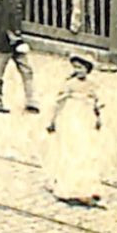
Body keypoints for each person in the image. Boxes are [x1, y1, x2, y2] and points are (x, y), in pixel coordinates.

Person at [43, 55, 104, 207]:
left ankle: (87, 187)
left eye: (81, 68)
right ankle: (68, 188)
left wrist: (98, 119)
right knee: (72, 150)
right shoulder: (69, 84)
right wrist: (52, 121)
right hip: (72, 118)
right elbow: (59, 103)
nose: (79, 71)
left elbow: (97, 104)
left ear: (87, 69)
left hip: (86, 118)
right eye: (76, 68)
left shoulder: (92, 85)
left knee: (87, 152)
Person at [0, 0, 39, 114]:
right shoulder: (0, 3)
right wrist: (15, 39)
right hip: (4, 42)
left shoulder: (16, 1)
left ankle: (31, 101)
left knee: (26, 70)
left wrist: (18, 38)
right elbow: (2, 25)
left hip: (16, 41)